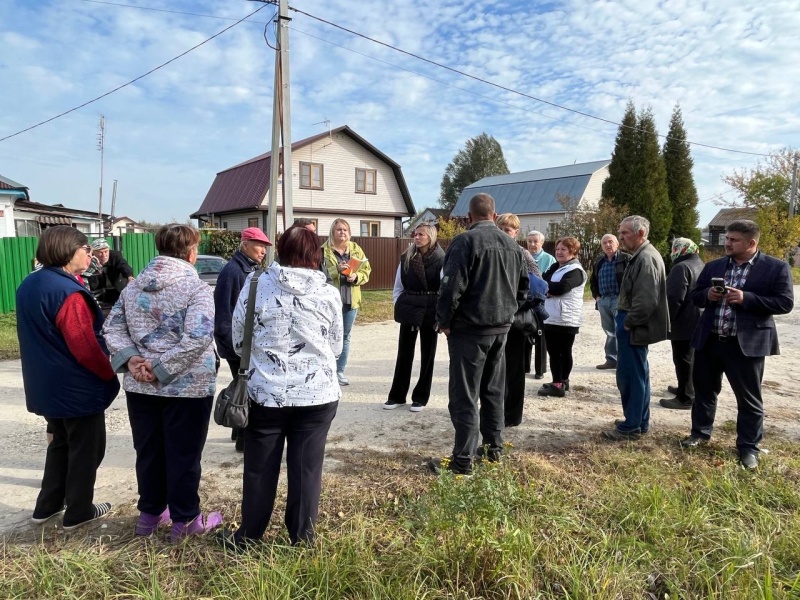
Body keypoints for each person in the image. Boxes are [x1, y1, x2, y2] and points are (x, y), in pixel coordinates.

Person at [218, 227, 343, 549]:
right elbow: (337, 346)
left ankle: (248, 537)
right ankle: (302, 538)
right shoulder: (328, 293)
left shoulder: (255, 284)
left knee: (259, 468)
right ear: (316, 253)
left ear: (281, 250)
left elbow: (237, 339)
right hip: (317, 394)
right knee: (306, 468)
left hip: (264, 393)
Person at [103, 224, 222, 542]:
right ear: (191, 251)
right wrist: (161, 368)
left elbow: (112, 328)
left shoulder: (132, 288)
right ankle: (185, 520)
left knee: (149, 451)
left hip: (140, 385)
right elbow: (198, 336)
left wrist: (132, 360)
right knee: (183, 454)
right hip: (187, 386)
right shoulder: (196, 289)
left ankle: (150, 515)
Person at [16, 225, 120, 530]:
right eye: (85, 249)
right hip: (74, 386)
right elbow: (85, 347)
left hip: (45, 383)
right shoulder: (68, 292)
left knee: (60, 443)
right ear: (67, 251)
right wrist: (109, 372)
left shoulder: (30, 283)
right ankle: (79, 510)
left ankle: (46, 506)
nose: (89, 255)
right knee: (87, 448)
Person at [680, 220, 794, 470]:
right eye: (727, 238)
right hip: (710, 340)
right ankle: (700, 433)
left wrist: (747, 298)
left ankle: (748, 447)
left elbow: (785, 303)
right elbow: (695, 296)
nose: (726, 243)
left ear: (751, 243)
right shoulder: (714, 266)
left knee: (749, 399)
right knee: (705, 391)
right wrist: (707, 296)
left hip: (745, 345)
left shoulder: (776, 268)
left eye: (733, 240)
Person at [432, 194, 528, 475]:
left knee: (464, 395)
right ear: (494, 214)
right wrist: (507, 313)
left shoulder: (465, 241)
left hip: (470, 330)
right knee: (493, 391)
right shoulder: (512, 244)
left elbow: (450, 287)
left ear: (469, 216)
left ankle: (462, 461)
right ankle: (493, 449)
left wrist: (444, 321)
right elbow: (524, 289)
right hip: (500, 329)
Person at [602, 216, 669, 441]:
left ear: (640, 234)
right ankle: (638, 422)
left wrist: (628, 323)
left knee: (632, 377)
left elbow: (646, 301)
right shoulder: (640, 256)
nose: (620, 237)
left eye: (625, 233)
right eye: (620, 233)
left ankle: (632, 426)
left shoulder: (646, 258)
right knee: (636, 375)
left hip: (633, 326)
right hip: (632, 324)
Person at [213, 227, 271, 452]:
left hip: (243, 345)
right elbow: (224, 314)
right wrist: (234, 348)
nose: (263, 251)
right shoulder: (233, 271)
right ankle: (245, 442)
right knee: (247, 391)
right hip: (237, 346)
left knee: (242, 387)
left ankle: (237, 431)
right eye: (259, 246)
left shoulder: (249, 268)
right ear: (245, 244)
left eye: (265, 247)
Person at [385, 223, 445, 411]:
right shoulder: (407, 257)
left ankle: (420, 397)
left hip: (430, 309)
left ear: (431, 236)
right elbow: (398, 285)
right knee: (404, 353)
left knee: (428, 354)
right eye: (415, 234)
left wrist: (441, 313)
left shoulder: (442, 259)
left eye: (421, 234)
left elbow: (444, 288)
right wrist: (400, 304)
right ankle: (397, 396)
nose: (417, 237)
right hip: (410, 308)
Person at [495, 213, 544, 427]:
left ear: (516, 233)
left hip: (515, 320)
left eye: (509, 229)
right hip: (493, 319)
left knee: (514, 369)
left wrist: (515, 303)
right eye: (502, 228)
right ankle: (495, 410)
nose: (505, 232)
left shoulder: (522, 254)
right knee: (495, 369)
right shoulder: (491, 251)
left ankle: (512, 416)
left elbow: (538, 286)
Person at [322, 218, 371, 386]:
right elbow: (319, 274)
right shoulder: (324, 251)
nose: (342, 232)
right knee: (327, 336)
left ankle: (339, 371)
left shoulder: (356, 249)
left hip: (350, 300)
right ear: (332, 232)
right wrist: (336, 271)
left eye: (345, 230)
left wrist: (356, 277)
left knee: (345, 337)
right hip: (329, 302)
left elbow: (366, 270)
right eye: (339, 230)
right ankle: (326, 369)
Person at [537, 237, 587, 398]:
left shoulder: (576, 270)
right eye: (558, 249)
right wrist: (548, 289)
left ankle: (559, 383)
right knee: (554, 351)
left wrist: (548, 289)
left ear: (573, 251)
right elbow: (542, 281)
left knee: (563, 351)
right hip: (553, 316)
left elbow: (563, 288)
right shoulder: (556, 266)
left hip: (566, 318)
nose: (559, 252)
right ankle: (559, 381)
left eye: (563, 249)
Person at [659, 237, 704, 410]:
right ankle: (687, 388)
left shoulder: (681, 267)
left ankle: (685, 397)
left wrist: (667, 320)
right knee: (691, 359)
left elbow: (674, 298)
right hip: (698, 320)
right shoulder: (701, 265)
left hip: (683, 321)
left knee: (683, 359)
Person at [589, 234, 630, 370]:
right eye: (604, 243)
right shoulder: (599, 261)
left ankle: (623, 361)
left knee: (621, 331)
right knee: (609, 332)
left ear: (617, 244)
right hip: (604, 300)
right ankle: (611, 360)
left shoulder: (626, 259)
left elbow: (631, 280)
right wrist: (597, 297)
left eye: (610, 242)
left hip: (619, 299)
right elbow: (593, 281)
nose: (607, 245)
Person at [526, 230, 555, 379]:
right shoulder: (523, 255)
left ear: (542, 242)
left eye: (535, 241)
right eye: (530, 241)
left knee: (540, 334)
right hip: (525, 300)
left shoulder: (549, 259)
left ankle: (540, 369)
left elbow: (550, 280)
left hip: (541, 300)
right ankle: (525, 366)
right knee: (524, 332)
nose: (532, 244)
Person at [83, 238, 135, 312]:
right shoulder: (89, 260)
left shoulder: (115, 255)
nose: (104, 255)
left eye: (106, 251)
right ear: (93, 253)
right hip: (98, 291)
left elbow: (124, 266)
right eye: (100, 252)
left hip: (117, 289)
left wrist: (129, 277)